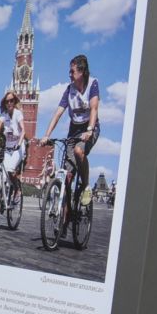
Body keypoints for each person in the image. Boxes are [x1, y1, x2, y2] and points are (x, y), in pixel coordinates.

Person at [40, 53, 100, 211]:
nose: (70, 74)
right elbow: (57, 113)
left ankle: (86, 187)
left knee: (79, 151)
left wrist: (89, 130)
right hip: (74, 131)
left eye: (72, 71)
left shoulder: (93, 84)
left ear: (82, 72)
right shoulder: (69, 90)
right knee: (67, 177)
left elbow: (94, 108)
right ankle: (64, 220)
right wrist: (46, 135)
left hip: (90, 127)